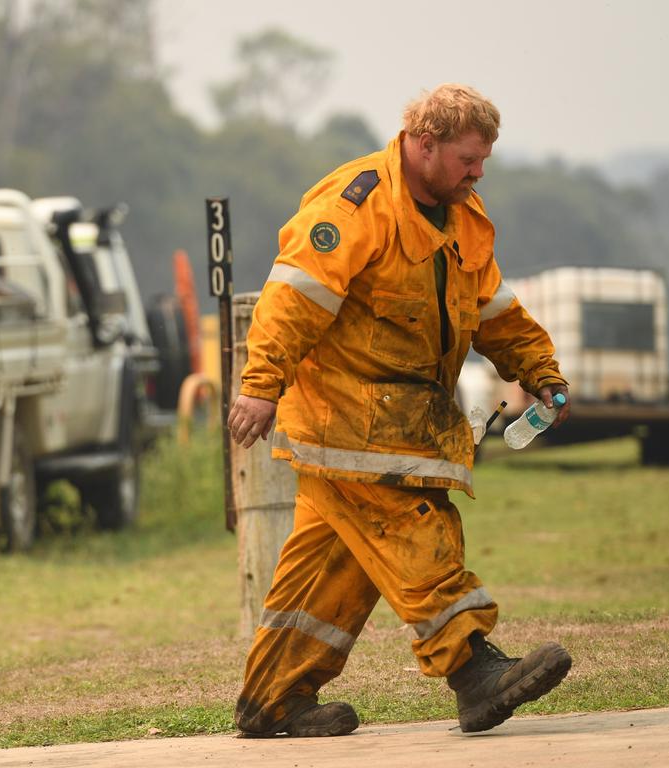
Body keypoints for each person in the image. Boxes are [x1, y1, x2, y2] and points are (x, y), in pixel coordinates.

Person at [228, 83, 572, 738]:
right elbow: (293, 298)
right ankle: (472, 670)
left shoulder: (460, 216)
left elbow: (493, 312)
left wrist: (540, 371)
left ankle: (272, 698)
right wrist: (260, 384)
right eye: (469, 159)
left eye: (483, 161)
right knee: (419, 528)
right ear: (424, 144)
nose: (478, 173)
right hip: (346, 422)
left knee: (328, 572)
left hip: (402, 422)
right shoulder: (354, 204)